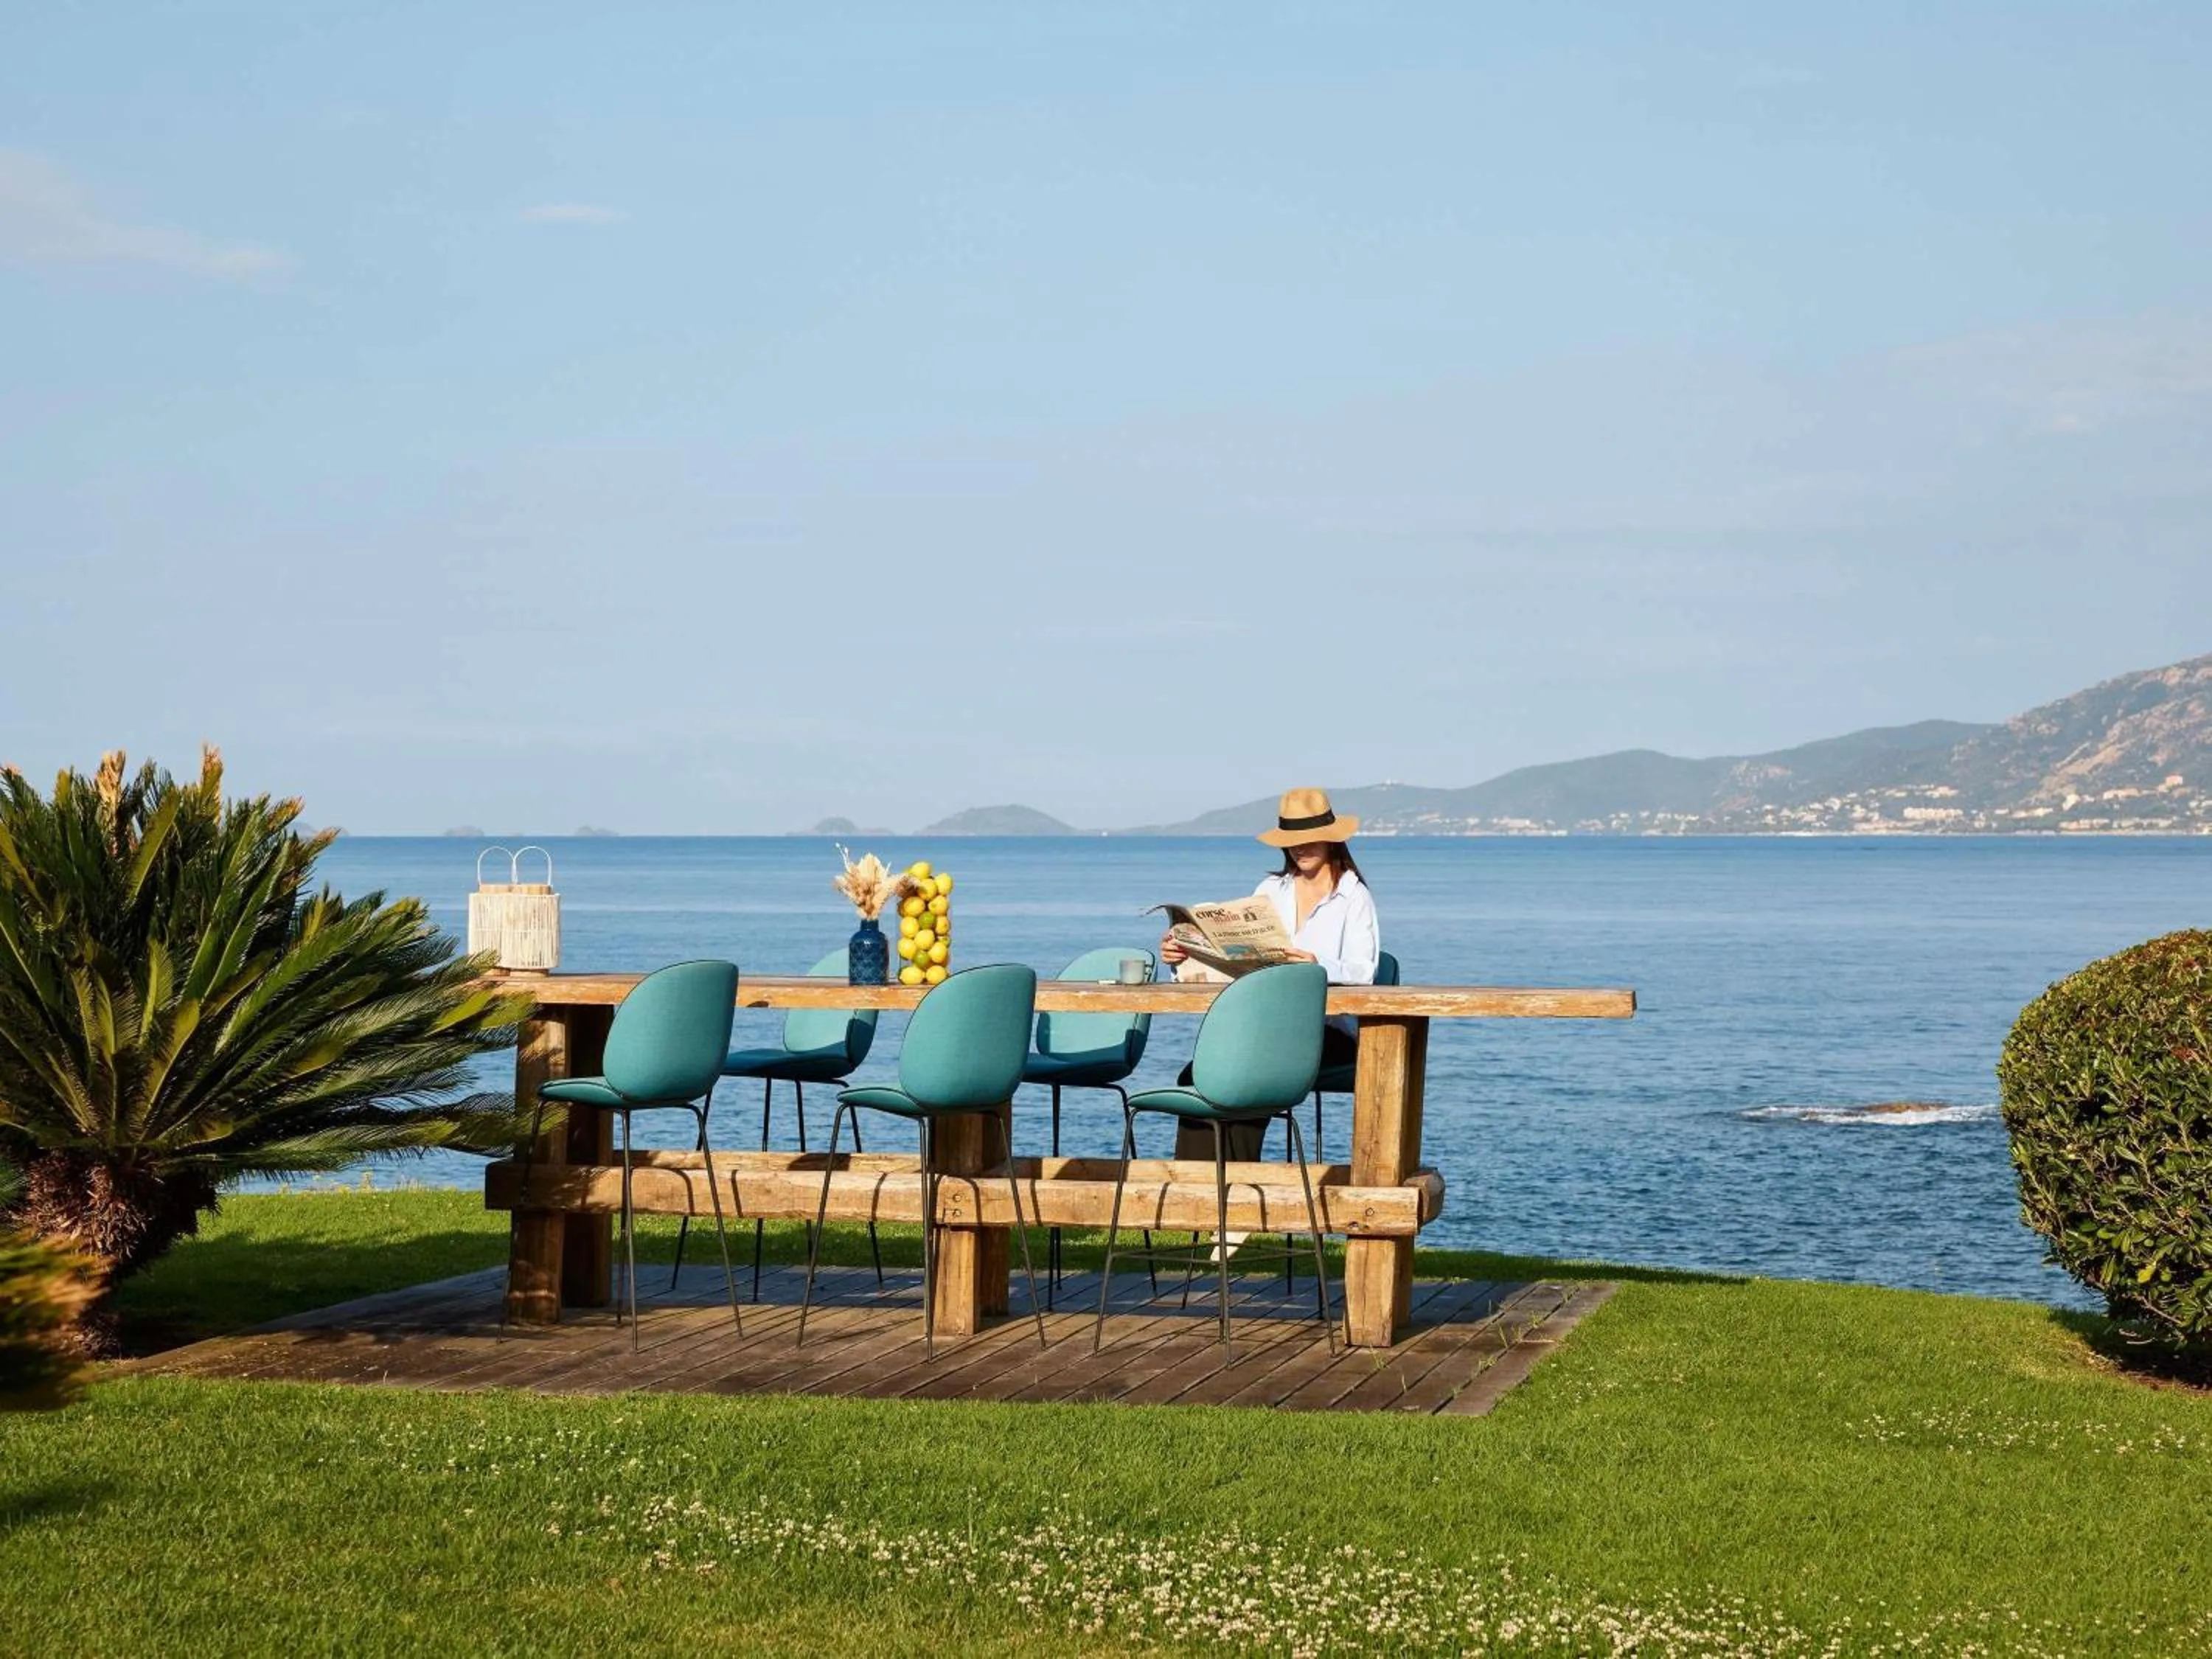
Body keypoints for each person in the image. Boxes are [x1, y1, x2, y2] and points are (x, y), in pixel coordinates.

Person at [1159, 787, 1381, 1161]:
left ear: (1330, 839)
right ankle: (1199, 1202)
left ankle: (1232, 1202)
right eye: (1292, 839)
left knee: (1248, 1076)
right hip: (1264, 1025)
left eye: (1309, 839)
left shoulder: (1353, 896)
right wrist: (1180, 956)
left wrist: (1315, 965)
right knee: (1198, 1076)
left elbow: (1365, 971)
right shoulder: (1270, 890)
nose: (1301, 847)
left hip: (1324, 1032)